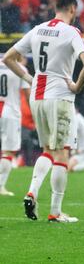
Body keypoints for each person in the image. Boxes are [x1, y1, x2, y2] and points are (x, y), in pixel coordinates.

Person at [2, 0, 84, 222]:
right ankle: (55, 211)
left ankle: (32, 192)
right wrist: (75, 86)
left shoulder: (38, 29)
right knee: (62, 152)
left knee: (47, 150)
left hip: (37, 98)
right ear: (72, 9)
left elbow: (9, 58)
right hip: (60, 98)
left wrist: (29, 78)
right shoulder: (71, 32)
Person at [0, 58, 31, 196]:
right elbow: (28, 95)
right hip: (10, 111)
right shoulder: (20, 69)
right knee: (9, 151)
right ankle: (1, 186)